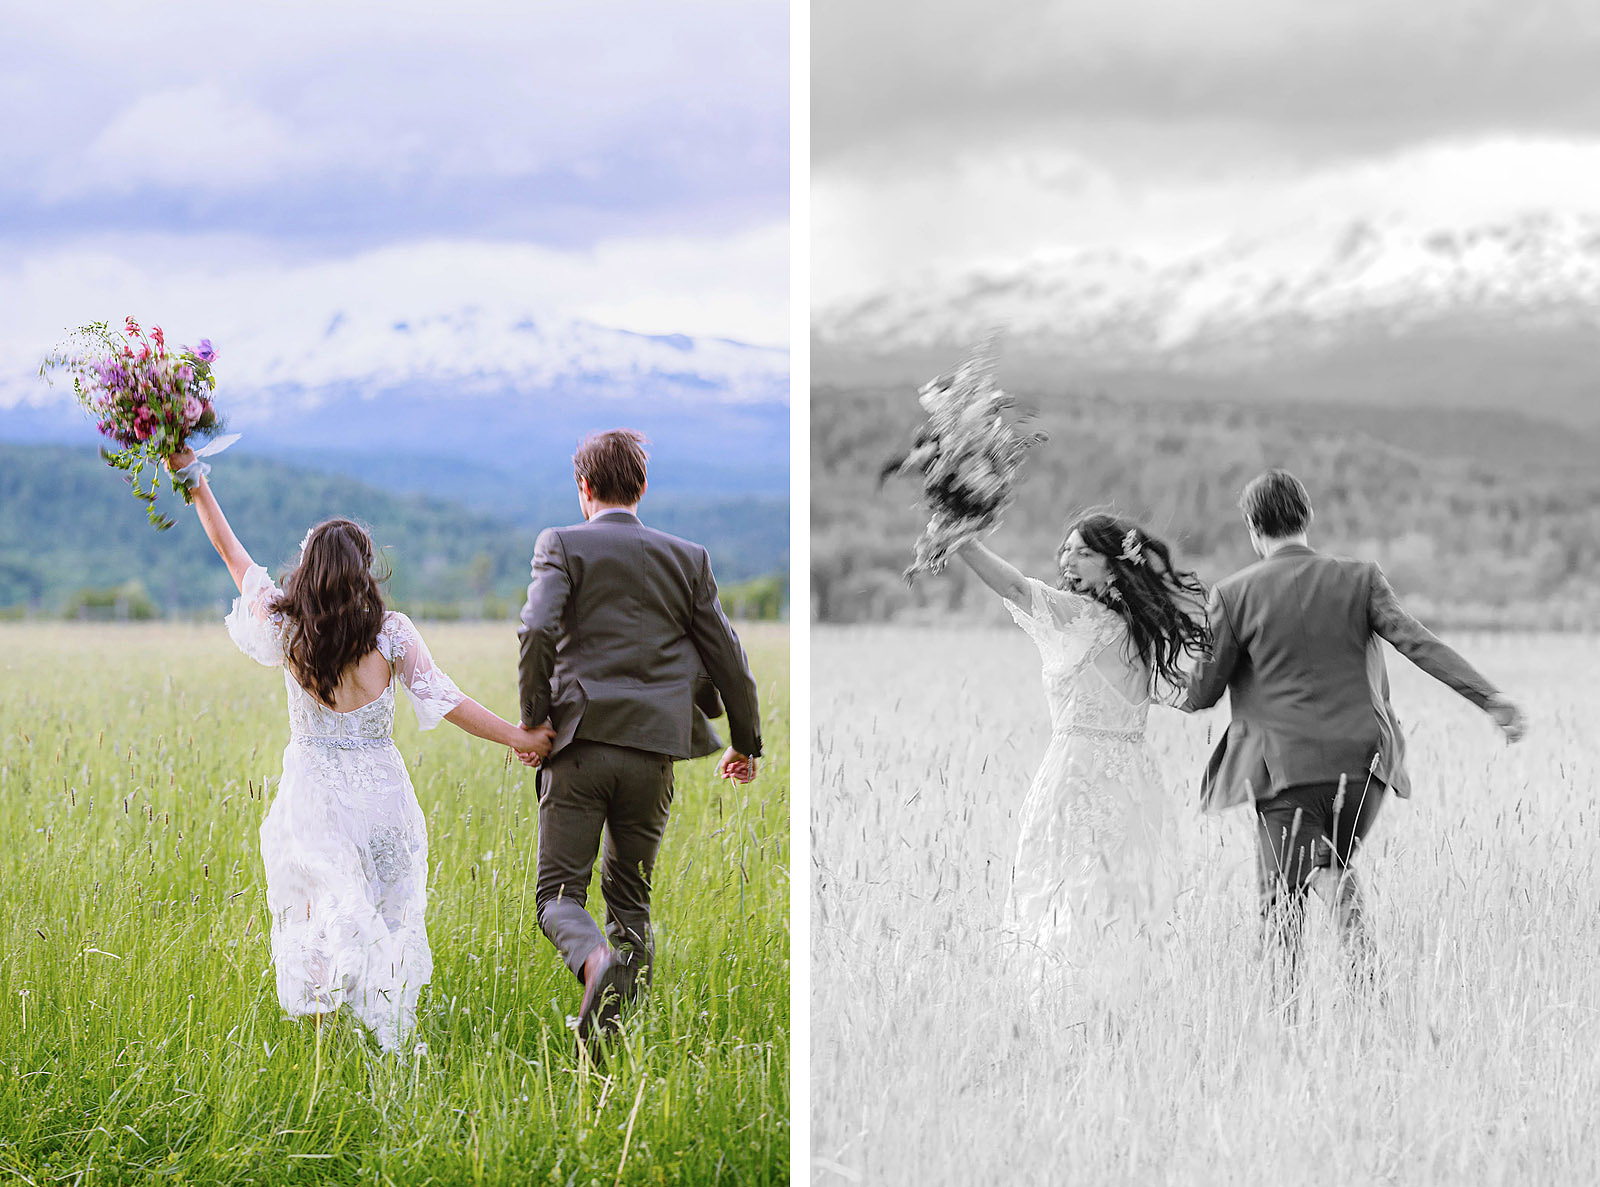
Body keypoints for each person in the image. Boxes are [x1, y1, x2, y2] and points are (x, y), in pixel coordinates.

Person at [166, 446, 553, 1051]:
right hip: (382, 800)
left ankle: (329, 1040)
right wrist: (519, 737)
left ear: (309, 569)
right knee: (387, 915)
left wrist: (191, 479)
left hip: (314, 798)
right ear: (364, 570)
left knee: (322, 913)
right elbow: (448, 700)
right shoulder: (392, 635)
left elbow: (230, 550)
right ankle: (387, 1032)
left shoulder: (286, 625)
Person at [1181, 468, 1526, 999]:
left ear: (1253, 527)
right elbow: (1418, 643)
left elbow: (1201, 694)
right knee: (1327, 866)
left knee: (1281, 909)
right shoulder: (1361, 578)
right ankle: (1366, 994)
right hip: (1365, 767)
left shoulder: (1233, 594)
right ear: (1308, 517)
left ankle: (1288, 1027)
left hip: (1284, 771)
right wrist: (1489, 697)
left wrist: (1163, 675)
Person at [517, 430, 762, 1048]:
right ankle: (611, 1047)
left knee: (557, 897)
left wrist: (533, 720)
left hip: (579, 746)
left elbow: (536, 632)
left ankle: (594, 965)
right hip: (655, 753)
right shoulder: (689, 558)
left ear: (584, 488)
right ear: (642, 486)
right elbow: (729, 658)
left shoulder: (561, 544)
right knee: (631, 904)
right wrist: (745, 741)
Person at [953, 512, 1209, 989]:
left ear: (1113, 567)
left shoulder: (1086, 618)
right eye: (1067, 549)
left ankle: (1067, 1000)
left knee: (1068, 890)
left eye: (1084, 553)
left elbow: (1014, 588)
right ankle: (1118, 998)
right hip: (1134, 780)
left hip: (1080, 773)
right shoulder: (1140, 629)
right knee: (1114, 897)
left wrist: (960, 540)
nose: (1068, 559)